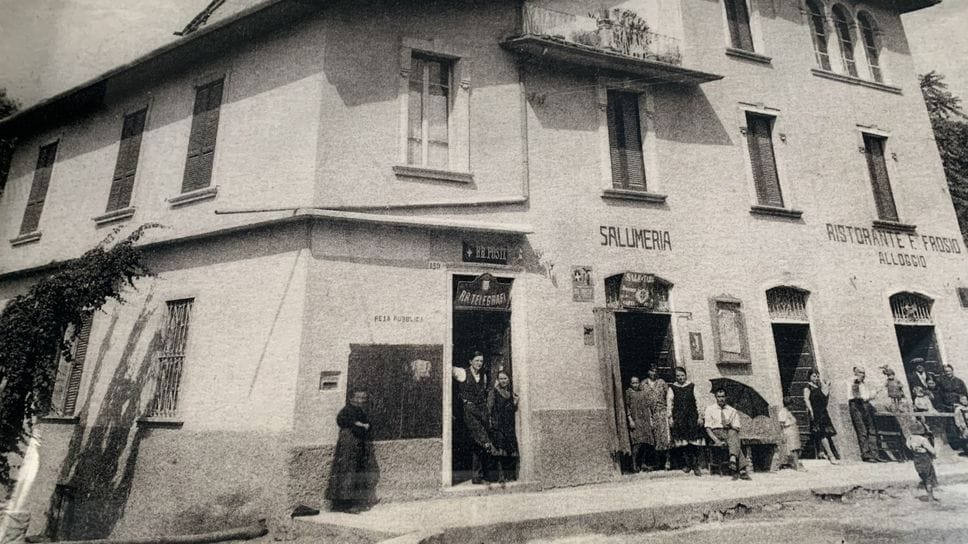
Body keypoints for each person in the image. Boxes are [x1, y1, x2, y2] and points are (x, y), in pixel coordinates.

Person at [326, 390, 372, 513]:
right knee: (347, 471)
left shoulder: (360, 411)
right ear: (352, 399)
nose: (362, 400)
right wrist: (361, 425)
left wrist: (364, 425)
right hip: (349, 444)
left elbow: (368, 424)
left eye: (364, 398)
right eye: (360, 397)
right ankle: (344, 504)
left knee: (353, 471)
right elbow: (343, 421)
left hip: (356, 444)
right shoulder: (347, 410)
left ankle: (347, 503)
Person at [459, 351, 492, 484]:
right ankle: (478, 475)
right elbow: (447, 368)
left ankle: (478, 476)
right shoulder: (462, 373)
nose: (479, 363)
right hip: (469, 410)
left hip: (481, 410)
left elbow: (486, 391)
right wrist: (462, 399)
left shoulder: (483, 376)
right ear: (470, 361)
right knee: (481, 439)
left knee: (478, 443)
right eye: (476, 360)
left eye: (481, 361)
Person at [704, 388, 751, 480]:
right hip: (717, 432)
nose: (721, 399)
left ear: (726, 397)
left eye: (723, 397)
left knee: (733, 433)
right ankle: (741, 469)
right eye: (719, 397)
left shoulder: (732, 410)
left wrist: (730, 425)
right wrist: (716, 441)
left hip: (729, 432)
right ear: (715, 397)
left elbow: (737, 427)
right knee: (735, 440)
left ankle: (733, 459)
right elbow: (708, 428)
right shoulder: (710, 409)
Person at [668, 367, 704, 476]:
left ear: (685, 375)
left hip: (692, 417)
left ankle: (696, 465)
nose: (680, 378)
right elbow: (669, 404)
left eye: (682, 375)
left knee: (694, 441)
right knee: (683, 442)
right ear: (676, 377)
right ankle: (688, 464)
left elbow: (699, 401)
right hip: (679, 418)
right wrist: (670, 418)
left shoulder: (692, 386)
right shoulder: (672, 388)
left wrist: (700, 416)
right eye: (678, 376)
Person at [848, 366, 887, 463]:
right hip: (857, 405)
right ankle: (866, 454)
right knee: (863, 431)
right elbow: (858, 396)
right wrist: (870, 396)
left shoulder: (863, 384)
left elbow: (867, 396)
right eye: (861, 373)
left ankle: (875, 454)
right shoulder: (854, 382)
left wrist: (876, 392)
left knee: (871, 429)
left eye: (864, 373)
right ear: (855, 373)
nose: (863, 375)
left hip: (865, 405)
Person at [487, 370, 519, 484]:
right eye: (501, 379)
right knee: (499, 450)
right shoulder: (494, 392)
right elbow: (489, 408)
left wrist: (515, 402)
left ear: (508, 379)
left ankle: (511, 475)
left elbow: (510, 410)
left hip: (508, 425)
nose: (503, 381)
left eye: (505, 378)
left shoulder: (510, 393)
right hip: (498, 425)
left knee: (510, 448)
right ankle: (500, 476)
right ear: (497, 380)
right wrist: (491, 423)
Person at [803, 370, 839, 464]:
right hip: (815, 412)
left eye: (818, 376)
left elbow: (825, 397)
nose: (816, 378)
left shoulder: (819, 386)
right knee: (822, 433)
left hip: (822, 411)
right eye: (814, 376)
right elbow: (806, 400)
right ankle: (831, 456)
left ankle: (821, 452)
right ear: (810, 377)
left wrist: (826, 386)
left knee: (821, 432)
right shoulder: (808, 387)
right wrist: (810, 411)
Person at [641, 366, 671, 469]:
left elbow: (669, 396)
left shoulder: (662, 382)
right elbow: (642, 400)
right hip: (650, 414)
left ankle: (668, 461)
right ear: (647, 372)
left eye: (655, 371)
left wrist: (669, 412)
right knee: (654, 438)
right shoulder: (643, 384)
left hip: (662, 412)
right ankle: (657, 462)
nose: (653, 373)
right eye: (651, 371)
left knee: (665, 438)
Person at [906, 417, 939, 502]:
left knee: (923, 476)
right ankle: (930, 497)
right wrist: (935, 454)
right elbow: (932, 450)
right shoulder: (923, 439)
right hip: (924, 457)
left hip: (916, 458)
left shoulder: (909, 438)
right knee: (929, 477)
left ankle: (928, 494)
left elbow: (908, 447)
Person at [625, 376, 653, 472]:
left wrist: (650, 419)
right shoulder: (628, 393)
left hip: (644, 420)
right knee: (637, 444)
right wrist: (630, 420)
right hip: (635, 420)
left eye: (637, 382)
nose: (635, 385)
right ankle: (634, 464)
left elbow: (647, 406)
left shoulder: (642, 392)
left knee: (645, 443)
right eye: (633, 383)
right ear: (630, 384)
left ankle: (643, 463)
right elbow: (627, 408)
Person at [778, 398, 803, 470]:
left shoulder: (787, 411)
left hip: (793, 430)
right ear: (788, 405)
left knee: (796, 447)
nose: (792, 406)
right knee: (793, 448)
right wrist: (782, 434)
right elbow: (782, 424)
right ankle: (797, 466)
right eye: (791, 405)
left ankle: (795, 463)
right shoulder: (783, 412)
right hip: (788, 431)